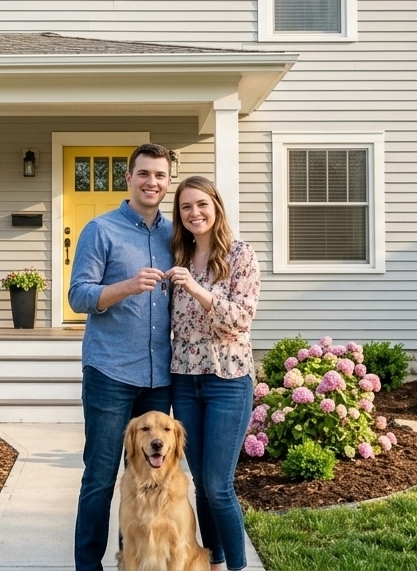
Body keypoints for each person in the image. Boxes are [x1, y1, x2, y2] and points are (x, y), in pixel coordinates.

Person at [68, 142, 176, 571]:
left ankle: (128, 560)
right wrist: (127, 287)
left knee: (145, 479)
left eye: (161, 175)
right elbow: (79, 296)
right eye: (144, 174)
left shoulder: (175, 236)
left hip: (160, 374)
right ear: (128, 178)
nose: (152, 182)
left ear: (168, 183)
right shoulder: (102, 230)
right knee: (99, 476)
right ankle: (87, 566)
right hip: (110, 371)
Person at [165, 175, 260, 571]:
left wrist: (197, 290)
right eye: (186, 207)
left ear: (216, 206)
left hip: (228, 382)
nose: (194, 213)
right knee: (201, 484)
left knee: (220, 486)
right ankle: (215, 562)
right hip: (184, 382)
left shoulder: (240, 255)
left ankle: (237, 567)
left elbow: (239, 319)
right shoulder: (177, 258)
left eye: (201, 204)